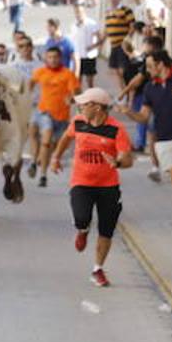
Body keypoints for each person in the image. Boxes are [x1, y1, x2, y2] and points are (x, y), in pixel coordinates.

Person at [49, 87, 133, 288]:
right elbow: (66, 138)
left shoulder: (117, 129)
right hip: (82, 183)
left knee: (106, 230)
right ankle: (82, 229)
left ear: (97, 107)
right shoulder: (78, 122)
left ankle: (97, 269)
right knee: (81, 217)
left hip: (108, 186)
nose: (80, 108)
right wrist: (56, 157)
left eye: (84, 105)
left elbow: (127, 158)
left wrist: (118, 163)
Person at [29, 46, 80, 188]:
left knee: (53, 145)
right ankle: (43, 175)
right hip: (44, 112)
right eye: (49, 57)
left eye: (55, 57)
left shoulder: (68, 74)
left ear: (60, 58)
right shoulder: (40, 72)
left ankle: (39, 161)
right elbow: (30, 83)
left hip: (62, 117)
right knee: (46, 140)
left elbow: (77, 93)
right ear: (45, 58)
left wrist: (72, 99)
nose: (52, 60)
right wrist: (25, 95)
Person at [126, 50, 172, 188]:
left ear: (160, 64)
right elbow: (143, 117)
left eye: (149, 66)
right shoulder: (149, 88)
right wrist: (128, 112)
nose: (147, 71)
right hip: (165, 141)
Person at [104, 0, 136, 83]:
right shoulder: (108, 11)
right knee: (115, 70)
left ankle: (128, 89)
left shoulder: (126, 10)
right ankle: (123, 92)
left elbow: (132, 25)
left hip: (122, 44)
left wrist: (128, 38)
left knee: (124, 69)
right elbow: (107, 28)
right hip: (113, 44)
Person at [70, 2, 103, 88]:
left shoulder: (91, 24)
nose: (78, 14)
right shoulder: (74, 25)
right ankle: (80, 99)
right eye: (76, 12)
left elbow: (100, 38)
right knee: (77, 80)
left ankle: (91, 99)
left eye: (80, 12)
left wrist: (93, 47)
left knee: (89, 82)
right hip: (78, 56)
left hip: (89, 56)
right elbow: (73, 41)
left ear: (84, 12)